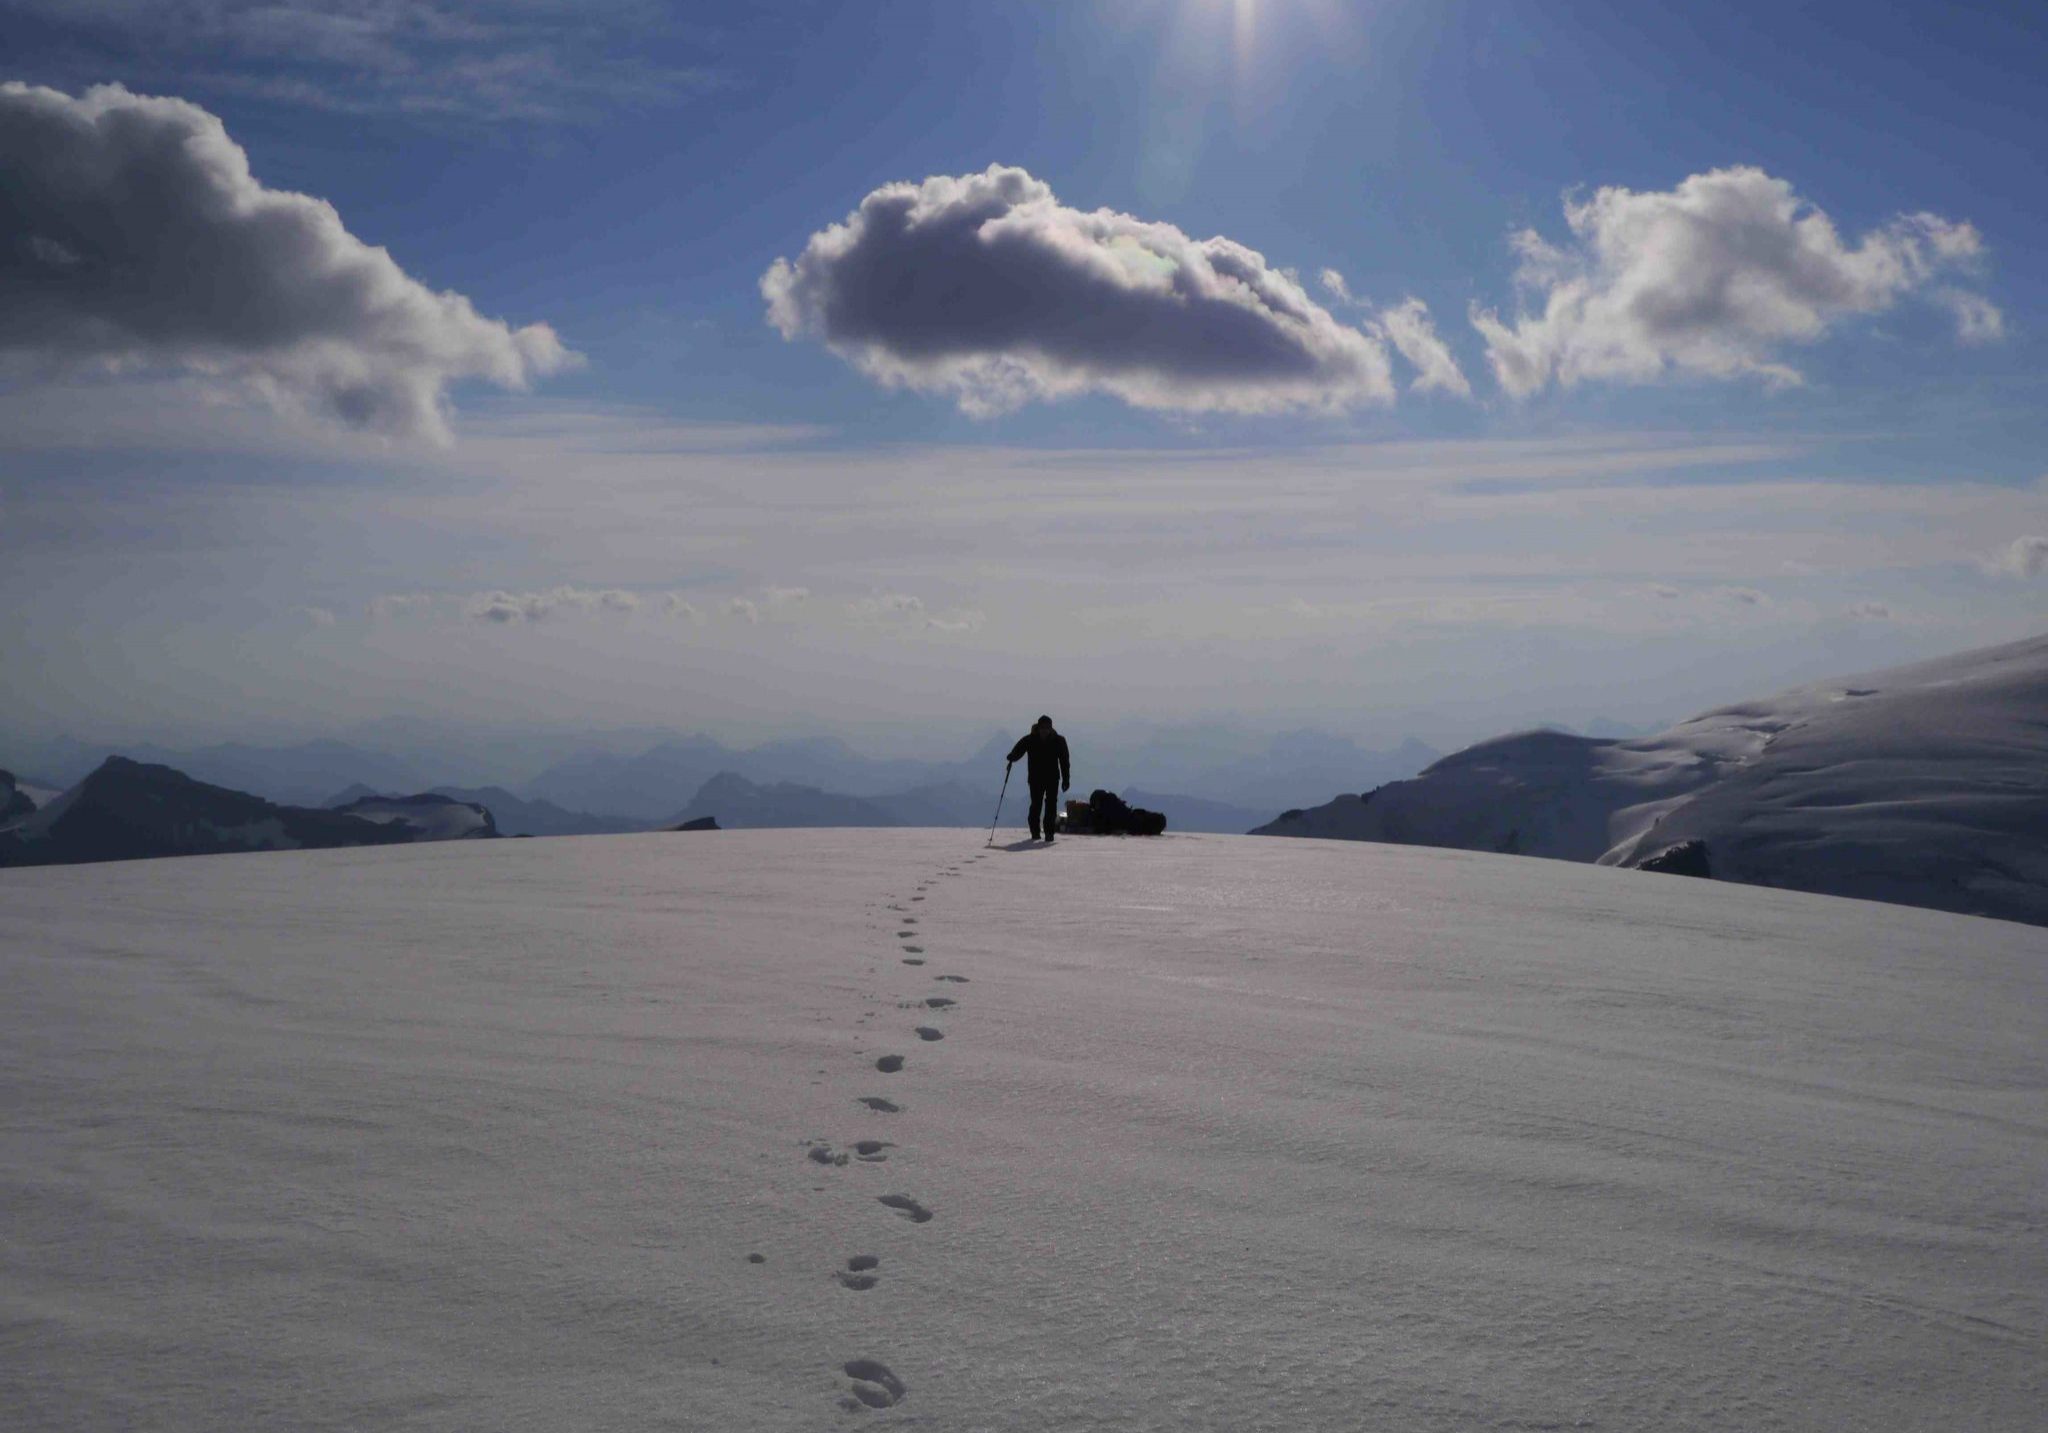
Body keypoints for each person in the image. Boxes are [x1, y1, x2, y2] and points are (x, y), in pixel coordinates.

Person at [1006, 715, 1071, 842]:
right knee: (1036, 804)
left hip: (1052, 778)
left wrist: (1066, 779)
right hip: (1036, 779)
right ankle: (1035, 832)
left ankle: (1049, 833)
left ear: (1051, 728)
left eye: (1047, 728)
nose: (1044, 731)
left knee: (1051, 805)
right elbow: (1019, 750)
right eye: (1042, 728)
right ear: (1039, 727)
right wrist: (1012, 757)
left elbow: (1064, 762)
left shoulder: (1059, 741)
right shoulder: (1031, 739)